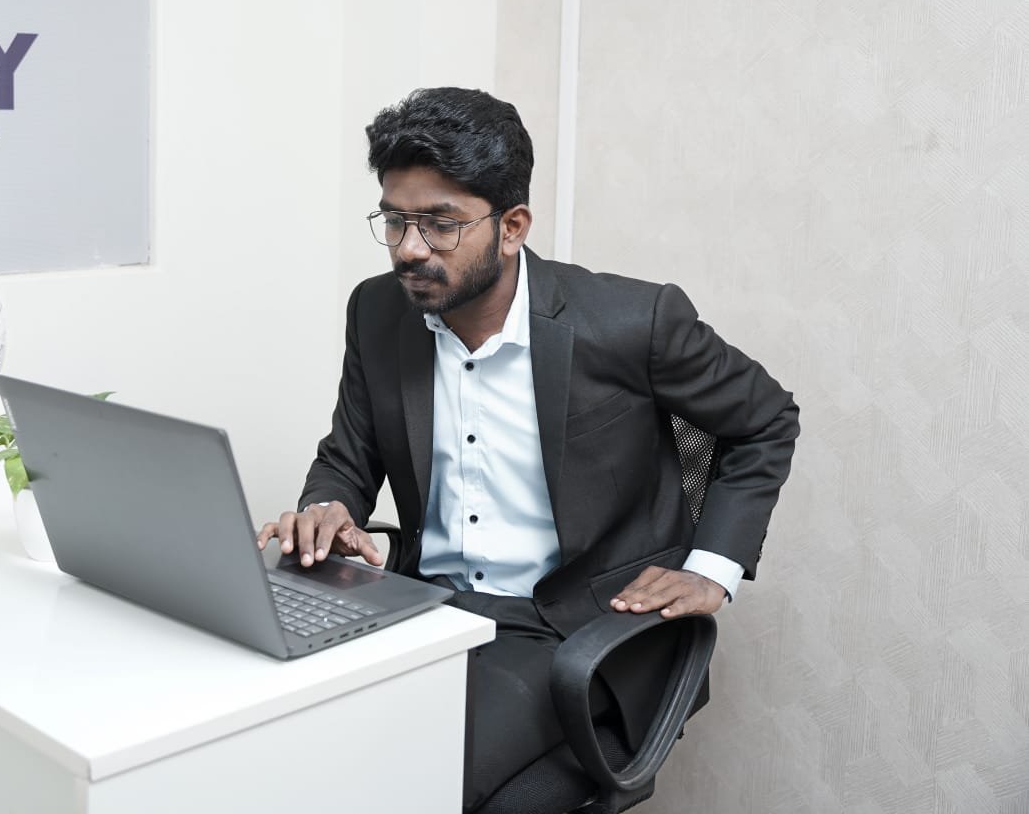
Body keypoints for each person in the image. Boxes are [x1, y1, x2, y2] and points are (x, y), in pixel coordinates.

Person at [256, 87, 799, 812]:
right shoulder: (379, 310)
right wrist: (328, 505)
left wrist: (712, 570)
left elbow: (765, 420)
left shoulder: (632, 321)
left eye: (440, 224)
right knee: (277, 740)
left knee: (399, 783)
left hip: (577, 627)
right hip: (431, 609)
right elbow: (348, 455)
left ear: (511, 227)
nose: (410, 248)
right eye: (395, 221)